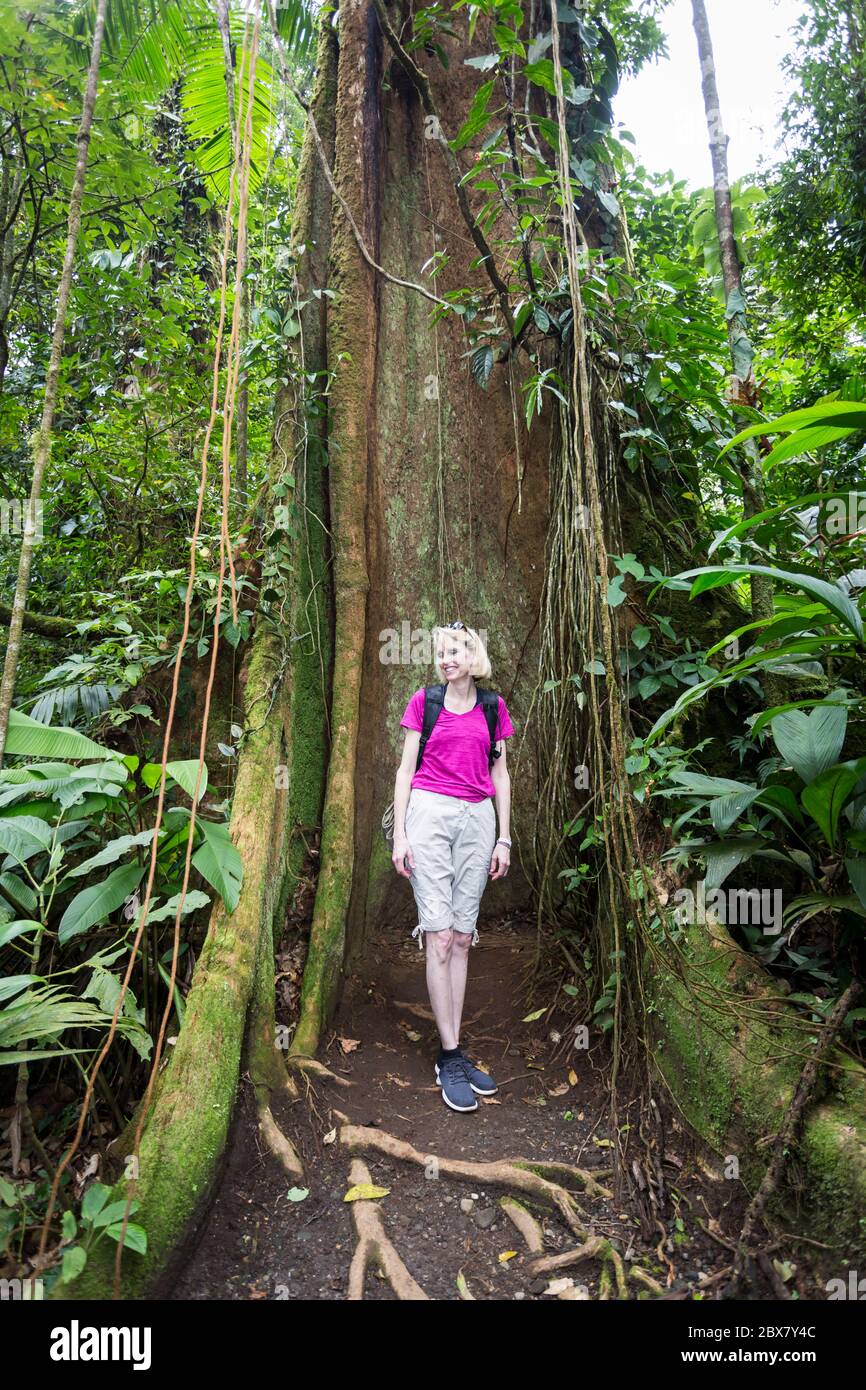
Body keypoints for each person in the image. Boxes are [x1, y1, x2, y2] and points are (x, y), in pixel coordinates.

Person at [391, 622, 514, 1113]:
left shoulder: (492, 708)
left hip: (479, 821)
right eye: (441, 652)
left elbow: (501, 774)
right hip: (429, 816)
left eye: (455, 651)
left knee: (462, 937)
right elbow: (404, 771)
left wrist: (504, 836)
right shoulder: (425, 702)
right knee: (439, 936)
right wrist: (400, 834)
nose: (446, 658)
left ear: (473, 656)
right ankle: (448, 1055)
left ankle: (456, 1051)